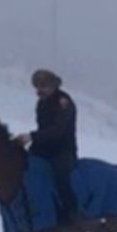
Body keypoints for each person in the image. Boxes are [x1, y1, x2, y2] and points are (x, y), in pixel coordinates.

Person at [14, 69, 78, 218]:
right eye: (38, 86)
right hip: (44, 147)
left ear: (54, 86)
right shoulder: (41, 103)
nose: (40, 90)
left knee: (60, 177)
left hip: (63, 150)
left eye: (44, 86)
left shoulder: (64, 103)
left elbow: (58, 130)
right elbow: (43, 129)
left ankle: (71, 213)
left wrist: (31, 136)